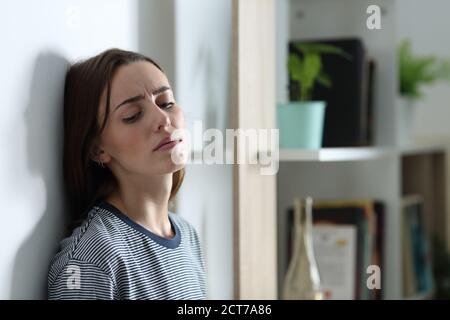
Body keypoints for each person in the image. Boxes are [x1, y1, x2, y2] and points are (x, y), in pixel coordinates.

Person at [47, 48, 206, 299]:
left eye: (166, 103)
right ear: (98, 149)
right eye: (132, 116)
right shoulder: (91, 259)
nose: (163, 119)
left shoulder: (187, 234)